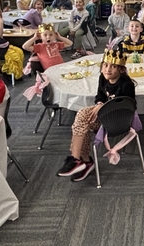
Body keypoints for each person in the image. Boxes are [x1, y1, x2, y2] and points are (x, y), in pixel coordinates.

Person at [57, 48, 137, 182]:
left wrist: (102, 106)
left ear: (121, 70)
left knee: (82, 116)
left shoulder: (126, 85)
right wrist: (100, 103)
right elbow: (99, 96)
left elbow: (124, 107)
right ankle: (82, 160)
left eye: (113, 66)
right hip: (103, 115)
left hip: (118, 120)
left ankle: (80, 161)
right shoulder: (102, 78)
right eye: (105, 65)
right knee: (82, 121)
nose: (108, 69)